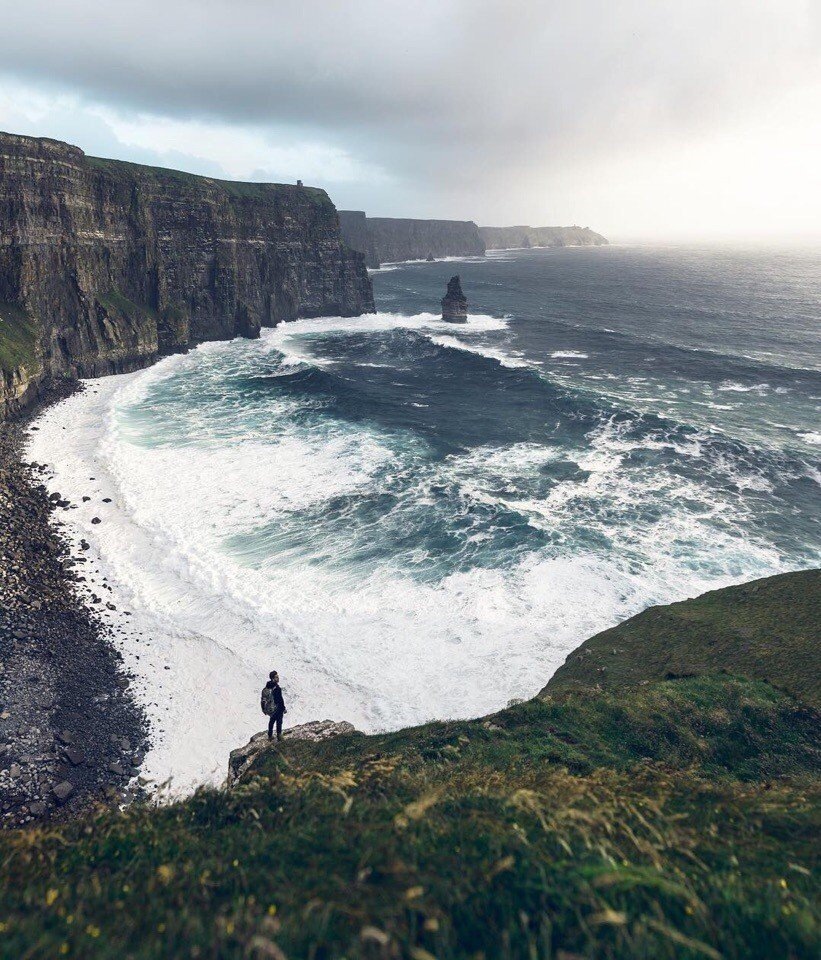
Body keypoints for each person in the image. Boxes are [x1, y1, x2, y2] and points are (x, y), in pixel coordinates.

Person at [261, 670, 286, 741]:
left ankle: (270, 735)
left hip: (270, 709)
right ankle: (279, 735)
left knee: (272, 721)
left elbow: (263, 700)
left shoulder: (267, 688)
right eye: (276, 677)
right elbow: (280, 699)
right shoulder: (276, 688)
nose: (278, 678)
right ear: (273, 678)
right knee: (279, 721)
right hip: (277, 707)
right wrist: (283, 708)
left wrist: (264, 709)